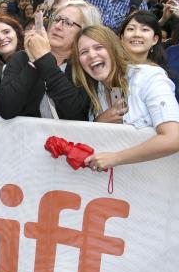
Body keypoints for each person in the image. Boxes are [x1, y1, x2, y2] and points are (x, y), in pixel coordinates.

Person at [70, 25, 179, 170]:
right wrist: (99, 122)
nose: (91, 55)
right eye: (84, 52)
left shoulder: (148, 77)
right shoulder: (95, 91)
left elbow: (173, 138)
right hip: (122, 188)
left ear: (114, 48)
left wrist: (116, 158)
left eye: (98, 47)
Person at [0, 0, 102, 120]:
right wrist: (32, 63)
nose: (57, 26)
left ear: (84, 31)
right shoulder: (21, 58)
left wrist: (44, 59)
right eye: (56, 19)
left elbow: (75, 113)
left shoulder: (86, 64)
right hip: (26, 137)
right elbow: (6, 109)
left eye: (67, 23)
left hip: (66, 138)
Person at [119, 10, 179, 102]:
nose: (137, 34)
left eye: (145, 30)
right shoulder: (111, 70)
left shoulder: (158, 79)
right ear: (122, 37)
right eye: (131, 29)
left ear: (155, 39)